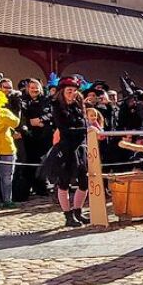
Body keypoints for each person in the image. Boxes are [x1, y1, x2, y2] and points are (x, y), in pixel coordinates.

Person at [41, 77, 90, 227]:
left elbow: (82, 125)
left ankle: (78, 212)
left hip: (79, 148)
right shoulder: (57, 107)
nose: (72, 93)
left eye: (74, 91)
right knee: (64, 182)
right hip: (65, 148)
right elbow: (65, 130)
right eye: (69, 91)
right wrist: (85, 130)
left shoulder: (77, 106)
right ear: (62, 92)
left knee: (84, 182)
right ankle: (68, 216)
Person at [18, 78, 54, 198]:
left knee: (42, 162)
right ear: (28, 89)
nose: (34, 89)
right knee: (29, 163)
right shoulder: (22, 100)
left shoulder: (47, 100)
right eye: (32, 87)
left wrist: (41, 120)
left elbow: (51, 113)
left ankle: (41, 188)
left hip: (44, 136)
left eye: (36, 87)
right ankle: (26, 190)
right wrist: (30, 122)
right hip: (28, 136)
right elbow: (21, 116)